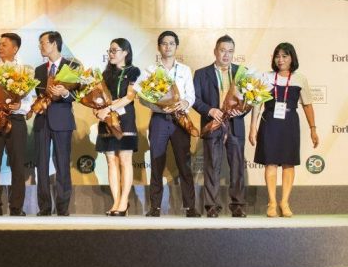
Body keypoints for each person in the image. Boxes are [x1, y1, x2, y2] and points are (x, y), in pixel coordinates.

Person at [249, 43, 318, 218]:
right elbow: (257, 103)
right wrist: (252, 127)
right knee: (270, 162)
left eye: (284, 56)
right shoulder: (265, 77)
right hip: (270, 121)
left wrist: (313, 129)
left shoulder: (300, 79)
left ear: (292, 58)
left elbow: (308, 105)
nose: (280, 60)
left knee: (289, 163)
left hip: (290, 123)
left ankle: (284, 202)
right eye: (277, 56)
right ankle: (272, 202)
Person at [136, 31, 200, 217]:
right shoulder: (150, 70)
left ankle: (190, 207)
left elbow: (191, 95)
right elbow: (142, 98)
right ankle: (155, 207)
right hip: (159, 120)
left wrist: (185, 103)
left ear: (176, 47)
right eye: (164, 43)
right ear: (159, 47)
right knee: (156, 163)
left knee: (184, 164)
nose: (168, 47)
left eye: (172, 43)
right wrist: (157, 107)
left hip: (180, 120)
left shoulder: (185, 70)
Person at [0, 33, 35, 216]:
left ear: (15, 49)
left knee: (18, 164)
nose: (0, 47)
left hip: (16, 121)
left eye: (4, 44)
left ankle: (17, 207)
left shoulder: (26, 72)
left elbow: (31, 102)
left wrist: (21, 105)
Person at [192, 35, 248, 218]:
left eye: (230, 51)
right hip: (213, 123)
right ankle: (211, 206)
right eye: (223, 50)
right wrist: (210, 110)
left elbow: (250, 100)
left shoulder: (242, 72)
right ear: (215, 51)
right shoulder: (201, 73)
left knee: (237, 166)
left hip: (235, 124)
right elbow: (195, 99)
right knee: (212, 166)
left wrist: (242, 111)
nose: (226, 55)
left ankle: (238, 205)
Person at [95, 38, 141, 217]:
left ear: (125, 52)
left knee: (124, 160)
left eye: (115, 50)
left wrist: (108, 107)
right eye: (110, 50)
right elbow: (98, 97)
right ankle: (116, 202)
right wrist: (97, 108)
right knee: (111, 161)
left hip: (125, 119)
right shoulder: (105, 74)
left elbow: (130, 97)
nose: (111, 53)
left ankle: (124, 201)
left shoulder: (133, 71)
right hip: (106, 119)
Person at [34, 31, 76, 217]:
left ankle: (62, 207)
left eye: (43, 43)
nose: (40, 47)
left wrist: (65, 93)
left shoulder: (72, 67)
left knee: (62, 164)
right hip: (42, 121)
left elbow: (79, 96)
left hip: (62, 121)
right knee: (41, 165)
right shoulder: (39, 70)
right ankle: (43, 207)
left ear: (54, 44)